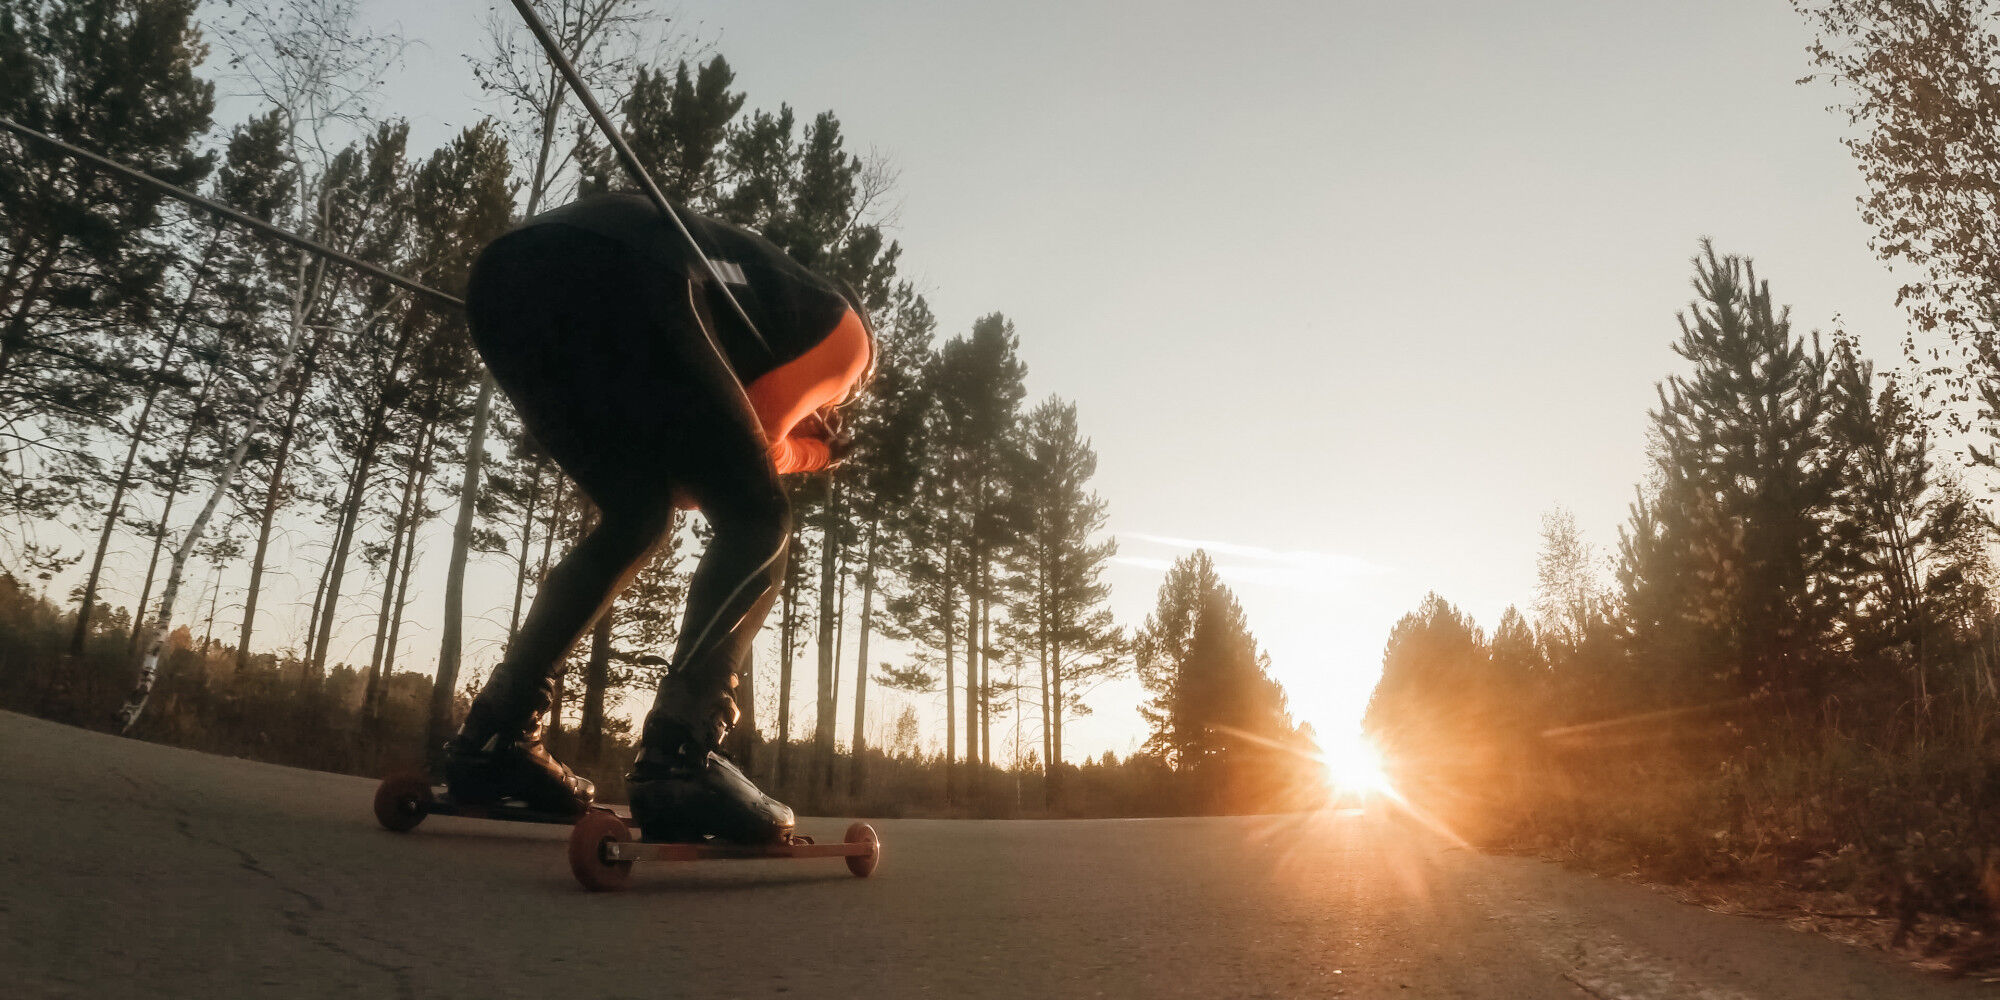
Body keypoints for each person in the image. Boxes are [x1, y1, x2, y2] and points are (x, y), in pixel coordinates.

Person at [442, 191, 873, 844]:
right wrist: (815, 453)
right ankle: (680, 754)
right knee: (759, 517)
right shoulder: (848, 340)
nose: (829, 407)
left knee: (637, 517)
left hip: (508, 280)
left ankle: (494, 737)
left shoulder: (753, 307)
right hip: (629, 269)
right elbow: (745, 461)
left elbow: (689, 480)